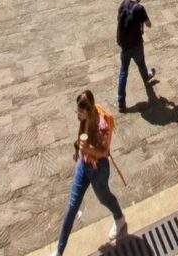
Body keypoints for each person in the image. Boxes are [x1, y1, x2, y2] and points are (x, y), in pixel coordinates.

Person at [50, 90, 126, 255]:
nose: (78, 114)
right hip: (83, 167)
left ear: (89, 111)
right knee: (71, 207)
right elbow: (81, 136)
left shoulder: (102, 126)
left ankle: (119, 217)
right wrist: (78, 149)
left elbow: (104, 152)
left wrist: (89, 149)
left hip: (99, 170)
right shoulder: (84, 119)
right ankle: (59, 252)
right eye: (77, 111)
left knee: (104, 198)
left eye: (80, 112)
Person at [117, 0, 155, 113]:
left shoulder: (124, 3)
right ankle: (146, 76)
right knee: (141, 63)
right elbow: (149, 25)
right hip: (136, 44)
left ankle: (121, 102)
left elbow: (118, 17)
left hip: (124, 45)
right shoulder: (140, 9)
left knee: (123, 73)